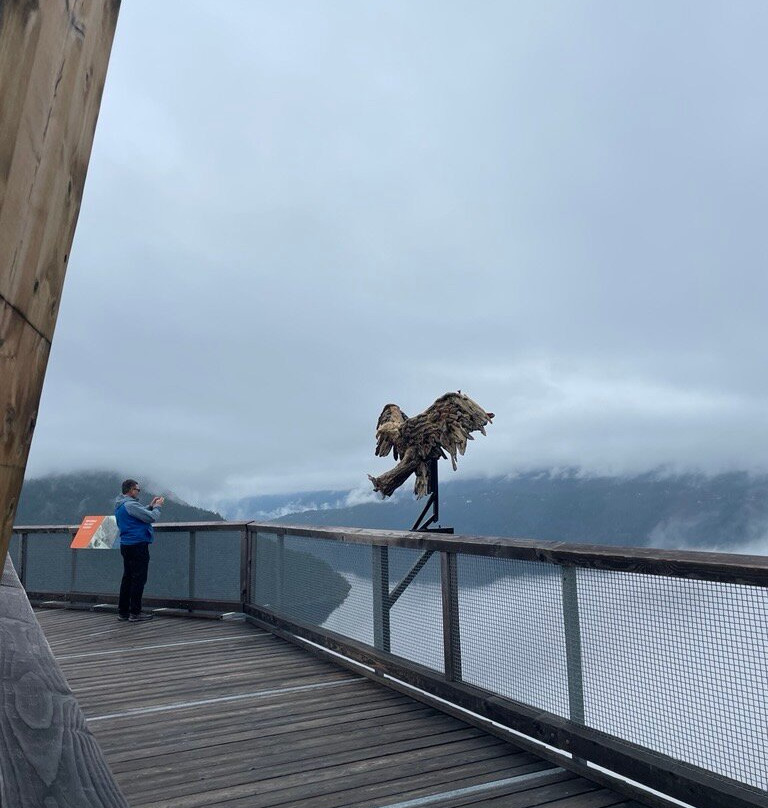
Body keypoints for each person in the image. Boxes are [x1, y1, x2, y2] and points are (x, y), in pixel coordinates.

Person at [115, 479, 164, 622]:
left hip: (126, 544)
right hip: (137, 545)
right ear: (131, 490)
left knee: (127, 578)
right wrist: (157, 507)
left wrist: (150, 506)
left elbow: (137, 513)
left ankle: (123, 612)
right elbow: (151, 517)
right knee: (138, 579)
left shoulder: (120, 504)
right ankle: (135, 612)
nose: (138, 492)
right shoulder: (130, 504)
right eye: (137, 489)